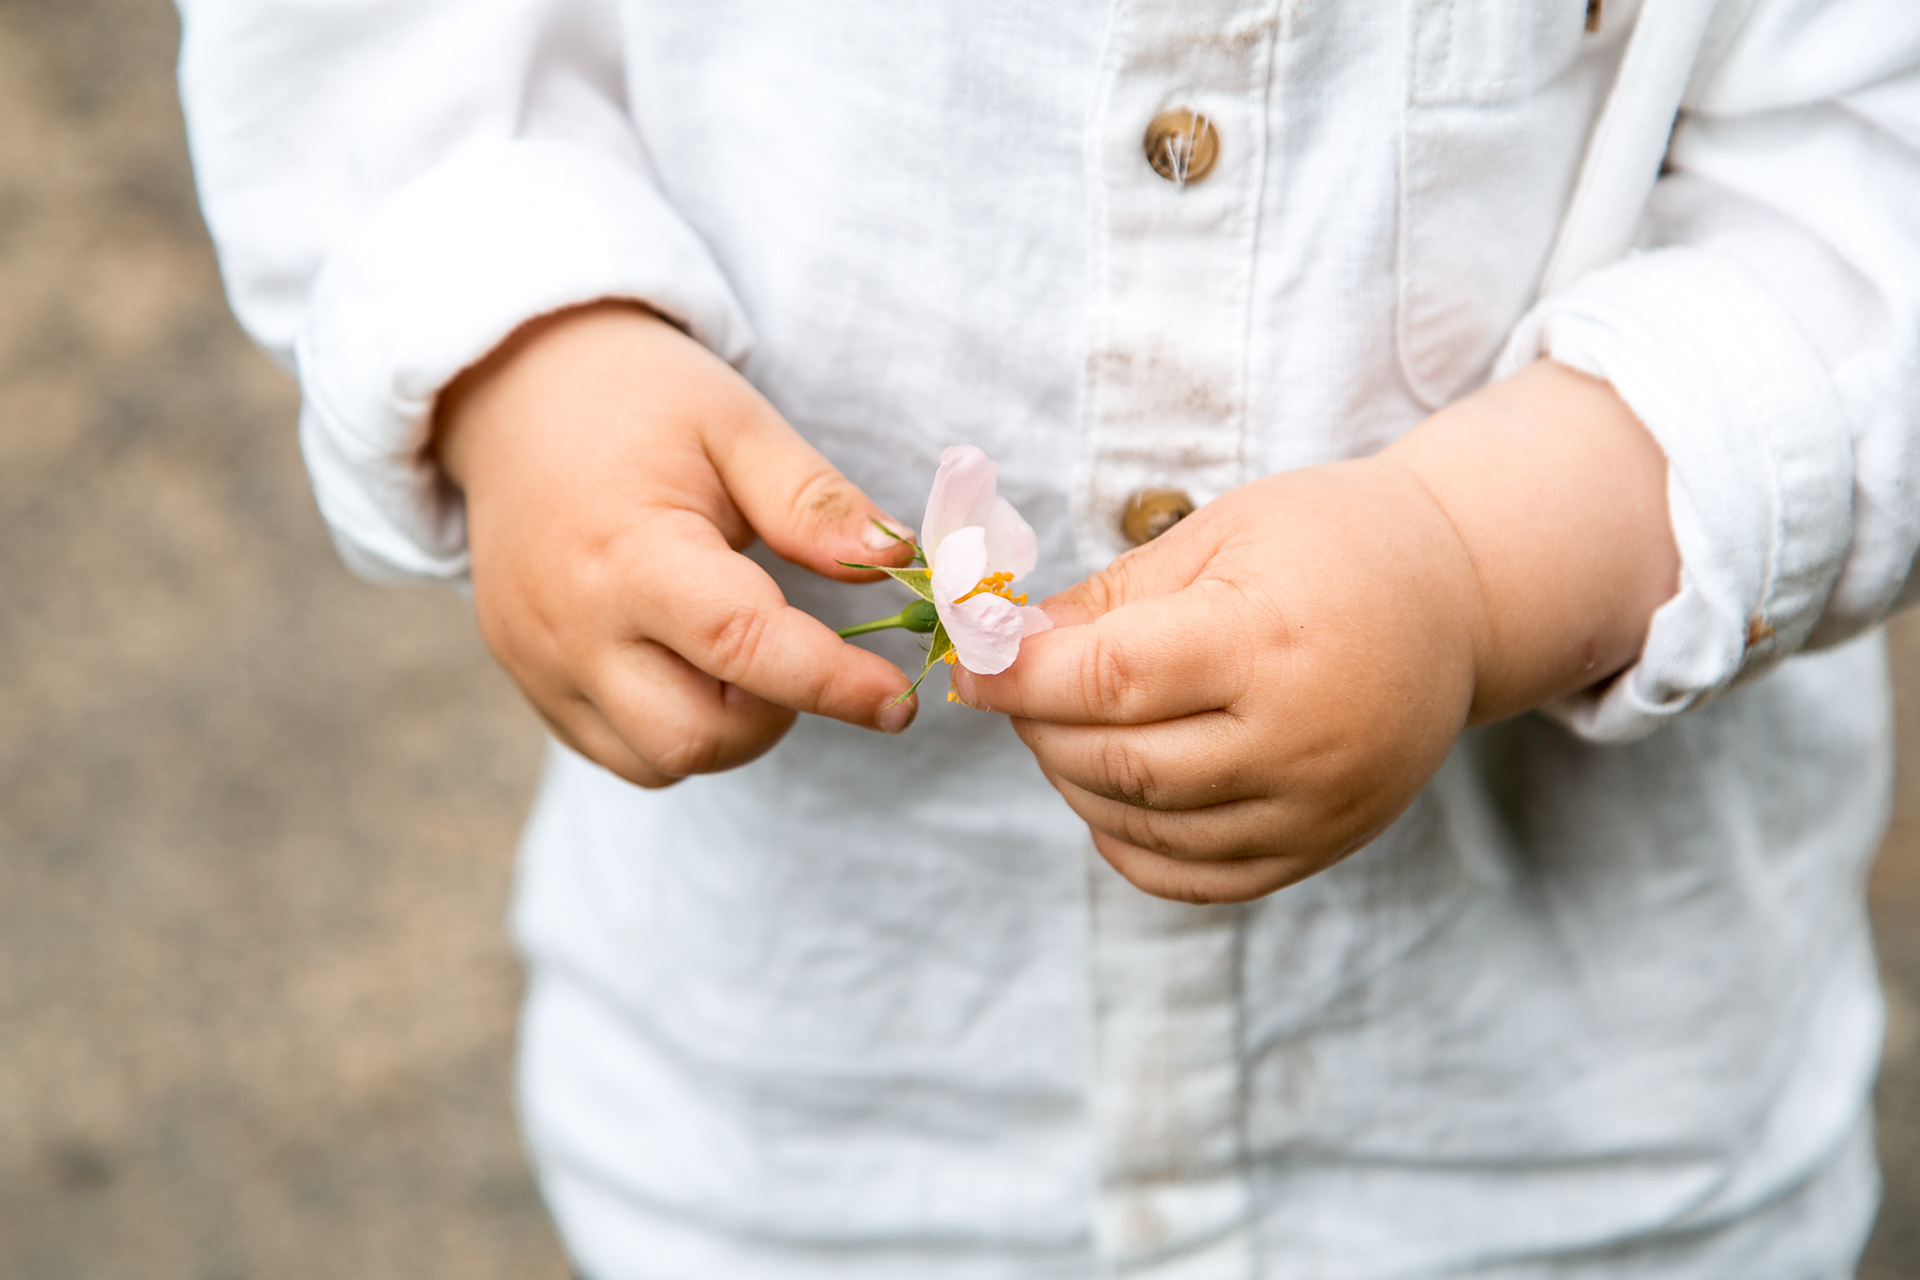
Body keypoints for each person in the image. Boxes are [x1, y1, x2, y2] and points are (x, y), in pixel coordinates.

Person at [176, 1, 1920, 1275]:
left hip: (1557, 1154)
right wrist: (530, 352)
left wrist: (1471, 563)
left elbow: (1867, 196)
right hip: (812, 1125)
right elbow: (375, 56)